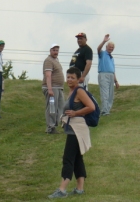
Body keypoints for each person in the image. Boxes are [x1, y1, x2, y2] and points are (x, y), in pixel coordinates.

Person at [48, 67, 95, 199]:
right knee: (77, 159)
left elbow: (91, 107)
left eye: (72, 77)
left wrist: (76, 113)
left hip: (77, 130)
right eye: (68, 77)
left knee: (68, 158)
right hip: (73, 129)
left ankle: (62, 190)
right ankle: (80, 189)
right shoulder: (72, 91)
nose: (69, 80)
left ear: (78, 79)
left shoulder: (79, 91)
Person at [42, 44, 65, 134]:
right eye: (54, 50)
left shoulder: (56, 60)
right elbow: (48, 75)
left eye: (57, 50)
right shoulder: (48, 61)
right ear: (50, 50)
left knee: (61, 107)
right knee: (52, 108)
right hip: (52, 88)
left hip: (59, 88)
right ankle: (50, 127)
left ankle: (55, 125)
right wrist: (49, 89)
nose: (56, 52)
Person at [97, 34, 120, 116]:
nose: (111, 49)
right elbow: (98, 49)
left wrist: (116, 81)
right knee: (105, 93)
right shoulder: (102, 54)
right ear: (107, 47)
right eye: (110, 47)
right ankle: (104, 111)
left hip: (111, 76)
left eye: (112, 48)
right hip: (103, 75)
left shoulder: (111, 57)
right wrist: (104, 41)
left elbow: (113, 70)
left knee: (110, 95)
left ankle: (107, 110)